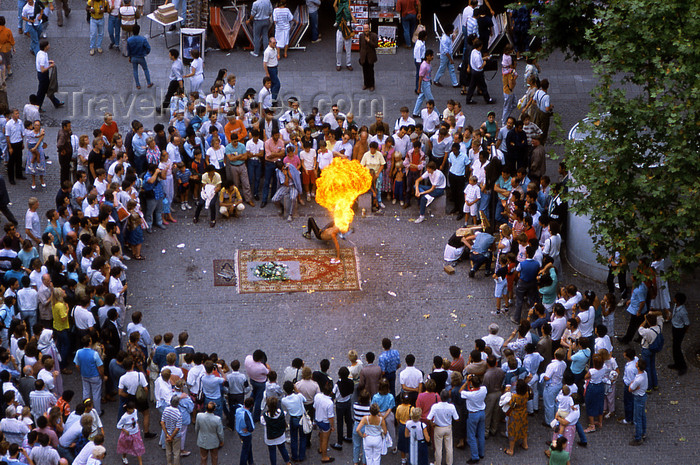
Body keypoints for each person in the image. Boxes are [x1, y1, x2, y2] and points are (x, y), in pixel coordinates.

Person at [427, 389, 459, 465]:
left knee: (438, 448)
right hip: (448, 428)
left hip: (438, 428)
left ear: (440, 397)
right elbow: (457, 419)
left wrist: (432, 424)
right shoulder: (451, 406)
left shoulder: (435, 406)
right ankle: (449, 463)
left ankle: (437, 463)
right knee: (449, 447)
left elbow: (428, 418)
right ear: (448, 397)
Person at [460, 374, 486, 464]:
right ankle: (481, 453)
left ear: (472, 384)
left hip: (473, 414)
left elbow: (460, 391)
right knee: (481, 433)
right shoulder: (484, 389)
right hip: (482, 412)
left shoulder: (470, 394)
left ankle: (475, 456)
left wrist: (467, 382)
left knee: (471, 436)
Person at [260, 397, 290, 465]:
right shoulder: (281, 413)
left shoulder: (264, 417)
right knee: (282, 448)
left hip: (270, 437)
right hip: (280, 435)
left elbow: (263, 422)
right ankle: (287, 462)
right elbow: (285, 413)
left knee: (272, 452)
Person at [35, 40, 63, 111]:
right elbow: (42, 70)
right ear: (45, 47)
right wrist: (50, 66)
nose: (49, 46)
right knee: (42, 92)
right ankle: (38, 106)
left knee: (47, 89)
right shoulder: (42, 57)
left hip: (43, 75)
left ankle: (56, 103)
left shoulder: (41, 53)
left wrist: (48, 62)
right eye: (48, 45)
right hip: (43, 75)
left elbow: (43, 63)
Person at [465, 39, 495, 105]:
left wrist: (484, 58)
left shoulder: (473, 52)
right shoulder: (477, 55)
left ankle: (468, 99)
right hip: (478, 72)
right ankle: (488, 99)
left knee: (472, 86)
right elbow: (480, 66)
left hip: (474, 71)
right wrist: (484, 63)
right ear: (480, 46)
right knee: (483, 86)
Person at [504, 379, 529, 456]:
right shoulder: (527, 394)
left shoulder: (515, 397)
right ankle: (525, 444)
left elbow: (511, 404)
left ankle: (511, 450)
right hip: (524, 413)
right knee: (523, 428)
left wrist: (507, 393)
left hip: (515, 415)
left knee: (512, 431)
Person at [668, 292, 689, 375]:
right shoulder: (676, 306)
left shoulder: (683, 312)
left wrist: (684, 331)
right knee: (675, 347)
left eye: (675, 298)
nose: (674, 299)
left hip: (679, 330)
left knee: (677, 348)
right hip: (675, 327)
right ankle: (677, 364)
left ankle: (682, 366)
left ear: (678, 301)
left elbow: (687, 323)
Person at [628, 358, 648, 446]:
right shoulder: (645, 374)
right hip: (643, 396)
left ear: (638, 368)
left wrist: (632, 384)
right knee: (642, 415)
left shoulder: (638, 379)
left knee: (637, 419)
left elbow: (630, 389)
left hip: (638, 398)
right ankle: (643, 432)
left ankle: (638, 438)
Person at [126, 25, 152, 89]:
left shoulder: (129, 40)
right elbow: (148, 48)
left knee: (135, 70)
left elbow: (128, 50)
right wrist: (146, 53)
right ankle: (149, 83)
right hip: (141, 57)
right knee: (145, 69)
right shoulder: (142, 39)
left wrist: (130, 57)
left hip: (133, 57)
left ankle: (138, 85)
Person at [434, 24, 458, 88]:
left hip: (448, 54)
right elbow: (446, 51)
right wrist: (450, 59)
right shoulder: (445, 39)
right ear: (448, 31)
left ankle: (455, 83)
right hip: (445, 55)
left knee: (451, 68)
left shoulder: (447, 36)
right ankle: (436, 80)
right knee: (442, 68)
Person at [412, 49, 434, 118]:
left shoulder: (428, 63)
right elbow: (420, 77)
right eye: (431, 56)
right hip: (425, 83)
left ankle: (415, 112)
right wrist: (419, 88)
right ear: (427, 56)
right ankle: (437, 113)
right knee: (430, 99)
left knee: (421, 97)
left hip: (427, 82)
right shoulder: (424, 66)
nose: (432, 57)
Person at [334, 0, 354, 72]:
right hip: (340, 31)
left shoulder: (348, 12)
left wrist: (350, 12)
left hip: (347, 32)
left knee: (348, 49)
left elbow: (355, 21)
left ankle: (348, 64)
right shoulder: (339, 12)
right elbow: (334, 6)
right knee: (338, 49)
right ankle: (338, 63)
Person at [358, 24, 378, 91]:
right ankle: (366, 84)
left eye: (367, 29)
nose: (366, 30)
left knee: (370, 71)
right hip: (364, 56)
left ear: (369, 29)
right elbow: (360, 46)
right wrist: (361, 56)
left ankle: (372, 85)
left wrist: (369, 41)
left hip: (370, 56)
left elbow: (375, 45)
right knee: (365, 71)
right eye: (365, 29)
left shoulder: (374, 35)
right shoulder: (361, 36)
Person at [263, 37, 281, 102]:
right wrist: (267, 73)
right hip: (271, 69)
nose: (275, 44)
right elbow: (265, 63)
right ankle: (273, 99)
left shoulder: (274, 49)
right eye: (273, 43)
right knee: (277, 84)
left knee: (273, 84)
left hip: (275, 67)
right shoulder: (267, 52)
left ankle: (271, 97)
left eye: (275, 43)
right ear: (269, 43)